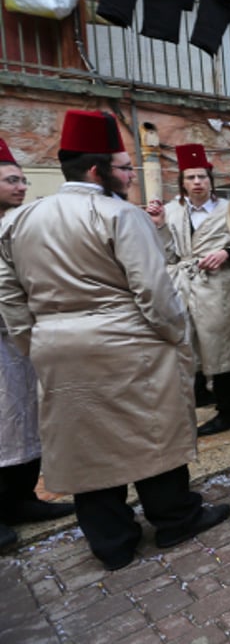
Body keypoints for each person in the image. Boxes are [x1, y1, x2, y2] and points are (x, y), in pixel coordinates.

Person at [0, 110, 230, 571]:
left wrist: (34, 342)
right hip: (131, 343)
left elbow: (9, 294)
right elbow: (155, 291)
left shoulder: (17, 222)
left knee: (86, 444)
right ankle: (174, 518)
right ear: (95, 169)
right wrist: (175, 337)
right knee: (153, 433)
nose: (129, 176)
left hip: (57, 349)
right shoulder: (120, 216)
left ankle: (111, 540)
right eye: (123, 168)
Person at [0, 139, 75, 553]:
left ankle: (21, 500)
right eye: (11, 180)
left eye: (22, 179)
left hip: (23, 340)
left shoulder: (19, 224)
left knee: (24, 421)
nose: (20, 186)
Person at [161, 143, 230, 436]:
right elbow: (166, 254)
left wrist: (227, 253)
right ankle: (202, 393)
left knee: (222, 346)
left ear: (211, 179)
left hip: (218, 286)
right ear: (182, 183)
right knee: (187, 343)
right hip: (183, 283)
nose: (197, 182)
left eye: (202, 177)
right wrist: (159, 227)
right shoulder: (171, 212)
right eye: (190, 178)